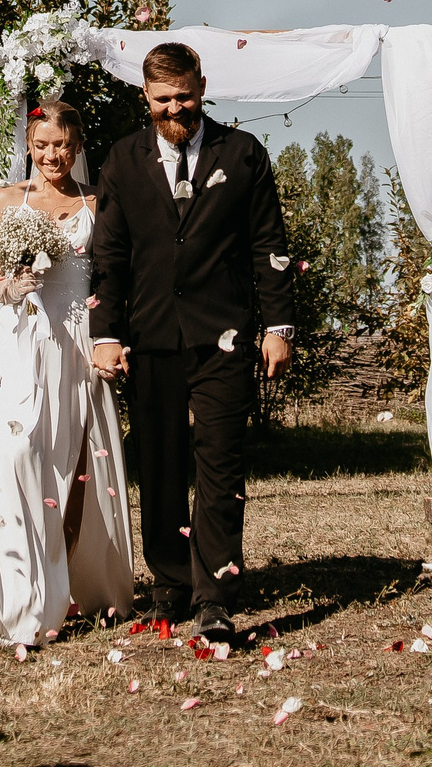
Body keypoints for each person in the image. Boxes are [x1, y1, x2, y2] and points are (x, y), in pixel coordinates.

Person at [88, 43, 297, 639]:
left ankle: (215, 596)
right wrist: (105, 333)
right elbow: (109, 256)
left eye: (184, 96)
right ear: (144, 98)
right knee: (157, 465)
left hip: (223, 337)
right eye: (162, 100)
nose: (175, 108)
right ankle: (172, 583)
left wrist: (278, 328)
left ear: (202, 86)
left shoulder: (245, 154)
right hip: (150, 337)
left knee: (220, 467)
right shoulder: (123, 161)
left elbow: (269, 245)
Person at [0, 102, 135, 648]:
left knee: (76, 471)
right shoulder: (7, 200)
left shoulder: (99, 204)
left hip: (78, 344)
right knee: (15, 459)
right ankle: (21, 599)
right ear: (28, 146)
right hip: (22, 343)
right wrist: (8, 288)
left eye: (61, 145)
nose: (51, 155)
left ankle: (69, 584)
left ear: (76, 146)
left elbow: (111, 276)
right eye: (41, 145)